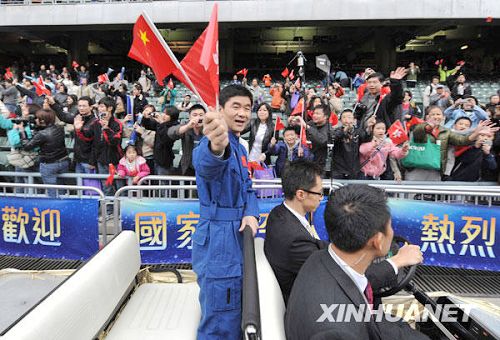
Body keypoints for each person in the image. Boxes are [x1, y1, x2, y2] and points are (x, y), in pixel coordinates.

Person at [285, 184, 428, 340]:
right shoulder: (336, 333)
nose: (392, 232)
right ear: (378, 241)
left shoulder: (319, 259)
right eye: (390, 226)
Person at [192, 85, 259, 340]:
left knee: (237, 310)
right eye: (236, 106)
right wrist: (217, 144)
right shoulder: (212, 143)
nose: (243, 113)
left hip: (238, 236)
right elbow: (207, 164)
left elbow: (249, 189)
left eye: (247, 108)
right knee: (220, 319)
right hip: (219, 242)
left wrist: (251, 213)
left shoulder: (241, 148)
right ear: (220, 110)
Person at [405, 106, 498, 181]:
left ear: (443, 117)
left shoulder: (446, 132)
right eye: (432, 114)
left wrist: (476, 132)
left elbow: (463, 140)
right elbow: (418, 133)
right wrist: (428, 127)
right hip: (416, 169)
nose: (436, 116)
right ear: (427, 117)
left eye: (438, 114)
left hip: (436, 170)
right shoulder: (417, 127)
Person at [75, 97, 123, 201]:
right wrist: (79, 130)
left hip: (115, 162)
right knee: (106, 187)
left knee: (120, 187)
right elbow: (88, 138)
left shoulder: (117, 123)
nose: (99, 108)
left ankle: (122, 211)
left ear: (110, 108)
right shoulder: (96, 123)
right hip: (101, 161)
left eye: (101, 106)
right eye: (99, 106)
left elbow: (115, 142)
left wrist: (106, 129)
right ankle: (109, 211)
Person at [21, 108, 69, 198]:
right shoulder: (60, 128)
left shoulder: (42, 134)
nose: (35, 120)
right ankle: (63, 207)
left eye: (37, 118)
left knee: (51, 191)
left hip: (49, 164)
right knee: (61, 188)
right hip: (64, 161)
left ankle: (54, 208)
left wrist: (22, 132)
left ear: (42, 120)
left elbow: (27, 147)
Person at [52, 96, 97, 174]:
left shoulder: (96, 122)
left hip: (88, 162)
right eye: (79, 106)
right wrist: (53, 104)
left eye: (84, 106)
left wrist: (92, 161)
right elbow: (64, 117)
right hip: (78, 160)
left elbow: (96, 144)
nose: (81, 108)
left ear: (91, 107)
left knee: (90, 185)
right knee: (79, 185)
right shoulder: (78, 118)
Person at [330, 109, 375, 179]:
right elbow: (334, 138)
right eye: (344, 117)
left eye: (349, 117)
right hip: (338, 169)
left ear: (354, 120)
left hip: (354, 169)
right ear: (340, 120)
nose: (346, 119)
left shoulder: (358, 132)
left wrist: (369, 126)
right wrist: (344, 131)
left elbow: (367, 139)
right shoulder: (336, 131)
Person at [168, 104, 206, 176]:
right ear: (189, 117)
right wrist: (188, 126)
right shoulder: (186, 127)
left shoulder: (209, 128)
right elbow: (171, 133)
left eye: (201, 115)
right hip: (188, 166)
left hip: (205, 167)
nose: (198, 118)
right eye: (195, 115)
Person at [292, 104, 330, 174]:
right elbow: (299, 134)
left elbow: (322, 140)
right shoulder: (311, 123)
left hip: (320, 165)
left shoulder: (329, 128)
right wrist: (294, 124)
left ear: (325, 116)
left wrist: (306, 126)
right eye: (314, 113)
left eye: (318, 114)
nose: (314, 115)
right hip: (307, 162)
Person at [142, 105, 179, 175]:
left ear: (173, 116)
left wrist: (162, 122)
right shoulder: (162, 124)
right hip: (157, 158)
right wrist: (145, 118)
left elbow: (165, 138)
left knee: (163, 183)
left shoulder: (174, 127)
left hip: (165, 160)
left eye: (167, 114)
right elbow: (148, 126)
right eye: (163, 113)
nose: (163, 115)